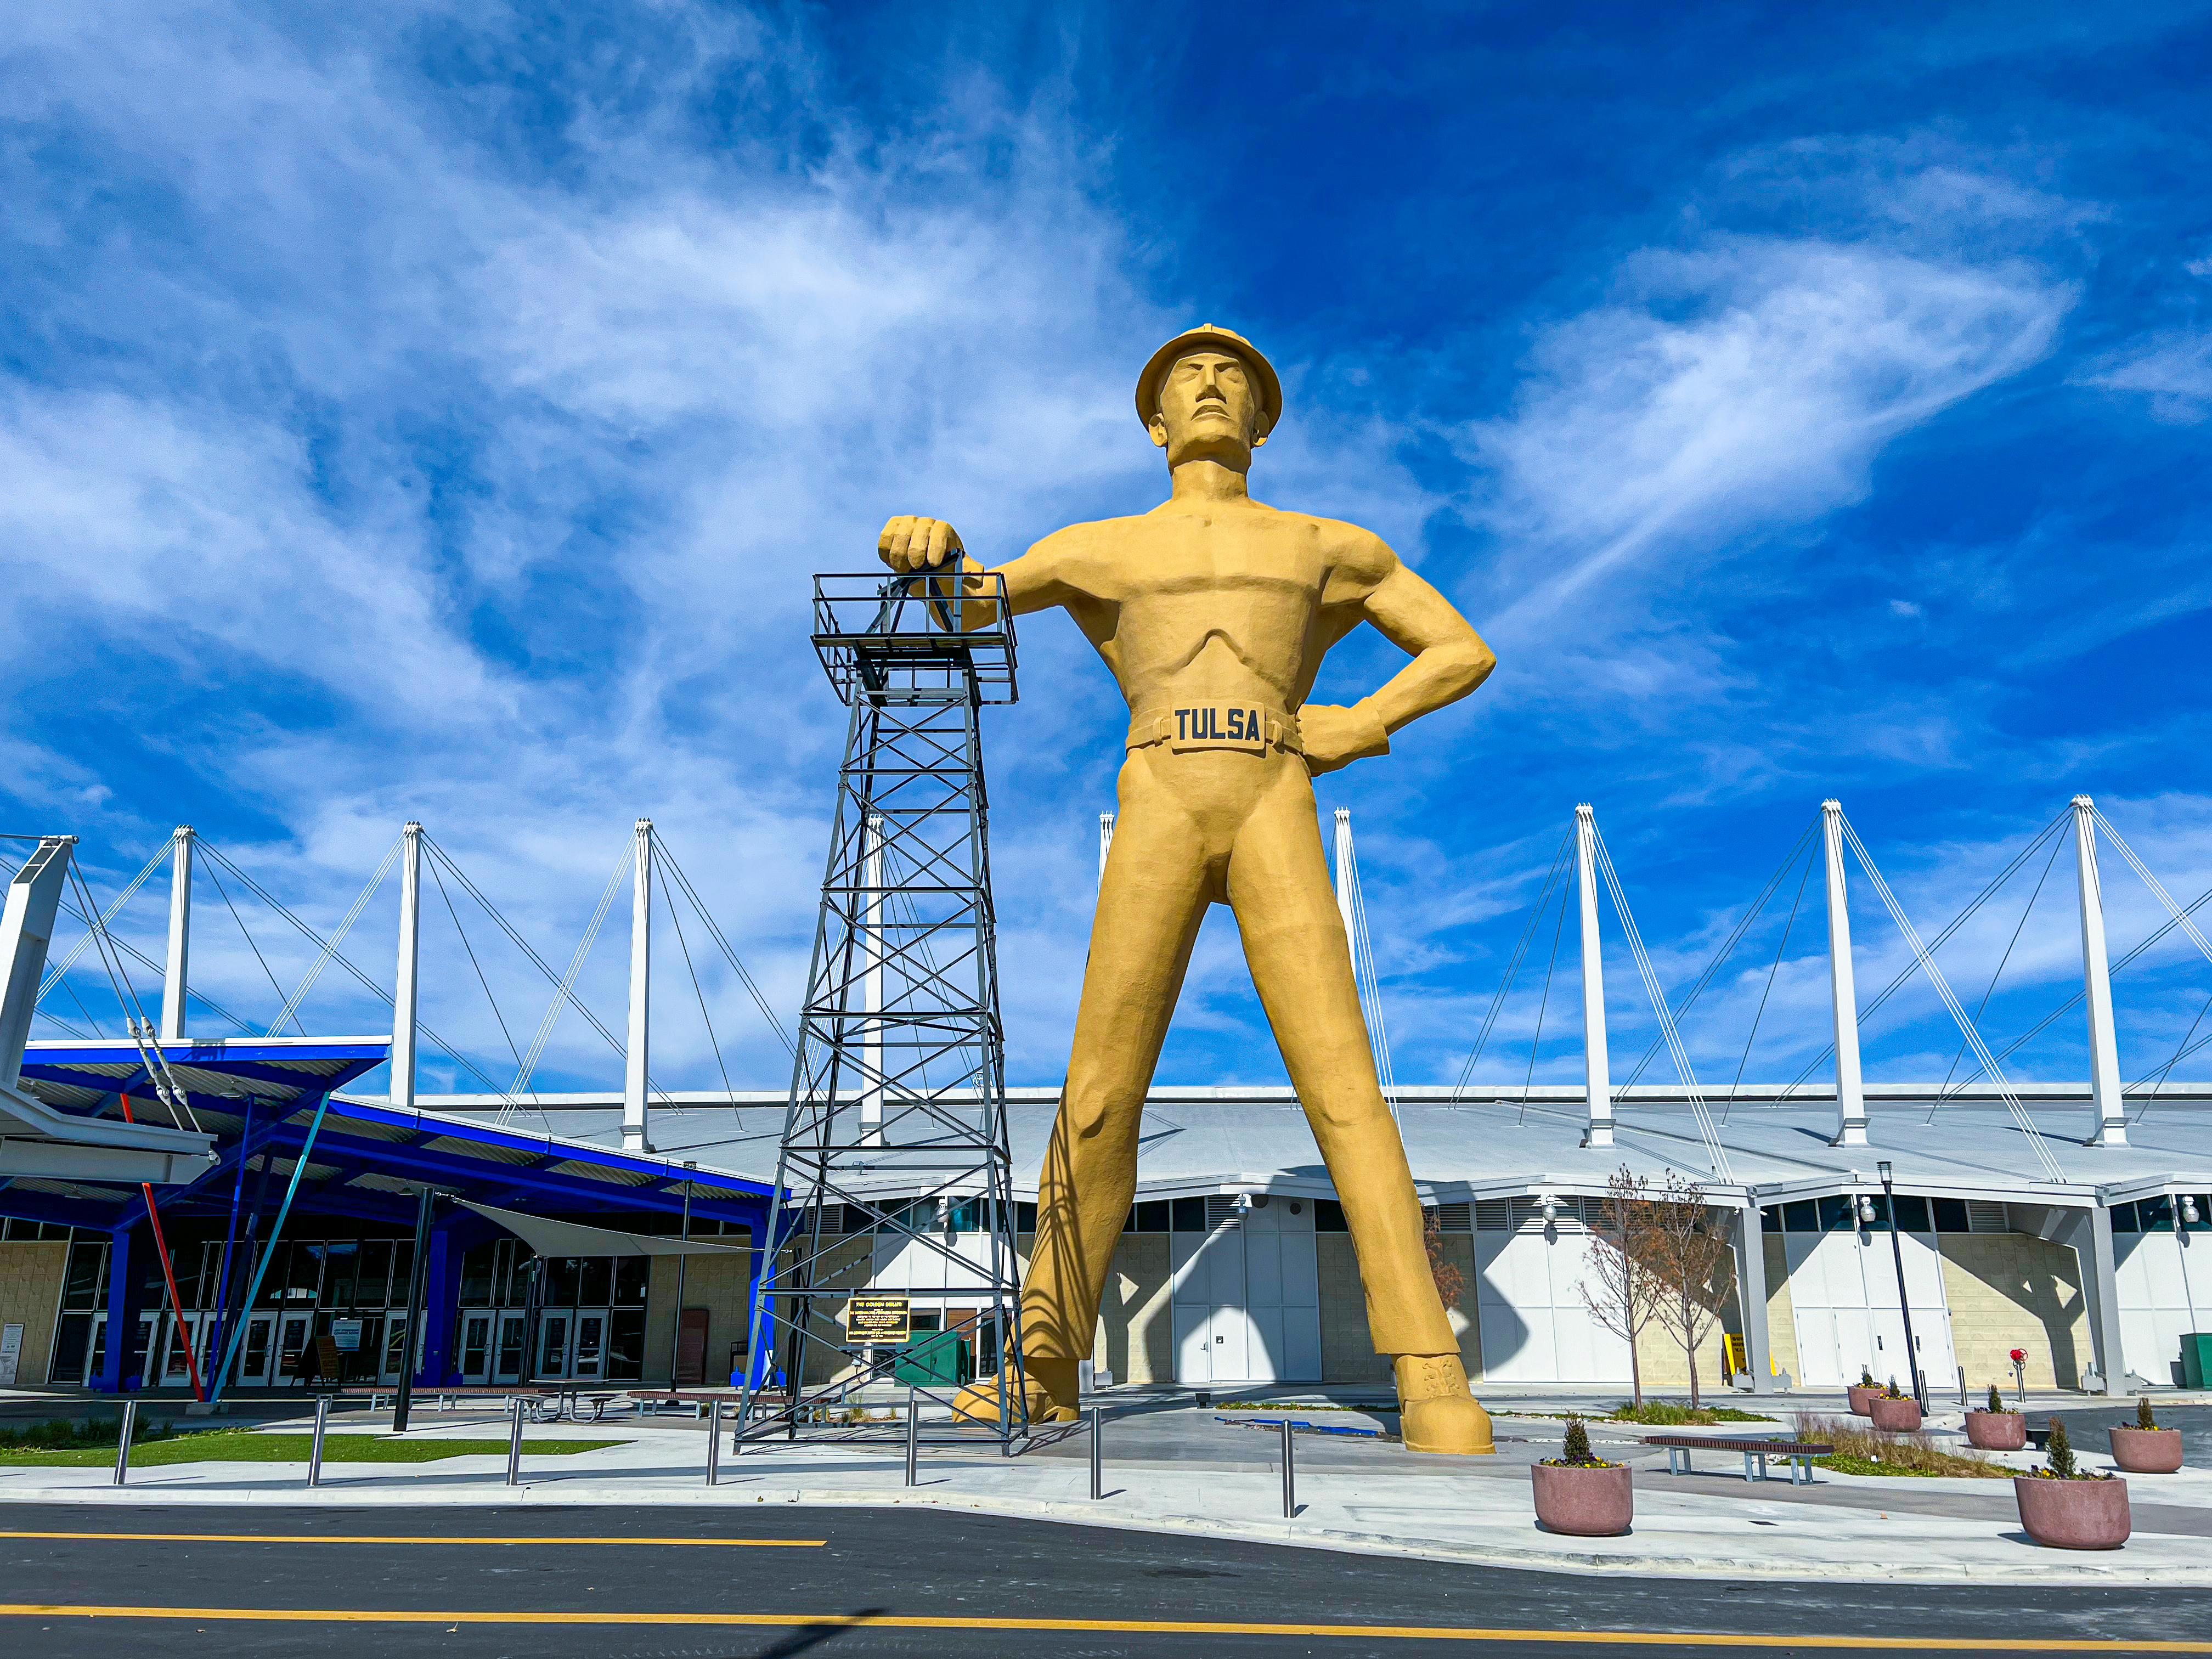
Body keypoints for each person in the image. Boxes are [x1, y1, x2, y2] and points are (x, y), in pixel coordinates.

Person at [877, 326, 1498, 1452]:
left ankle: (1432, 1371)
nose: (1210, 386)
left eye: (1235, 380)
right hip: (1159, 791)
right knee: (1099, 1093)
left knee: (1344, 1087)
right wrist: (928, 546)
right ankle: (1044, 1361)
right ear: (1154, 421)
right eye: (1186, 379)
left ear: (1263, 419)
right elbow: (973, 603)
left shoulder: (1326, 545)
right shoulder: (1101, 548)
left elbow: (1459, 648)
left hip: (1273, 794)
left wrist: (1362, 721)